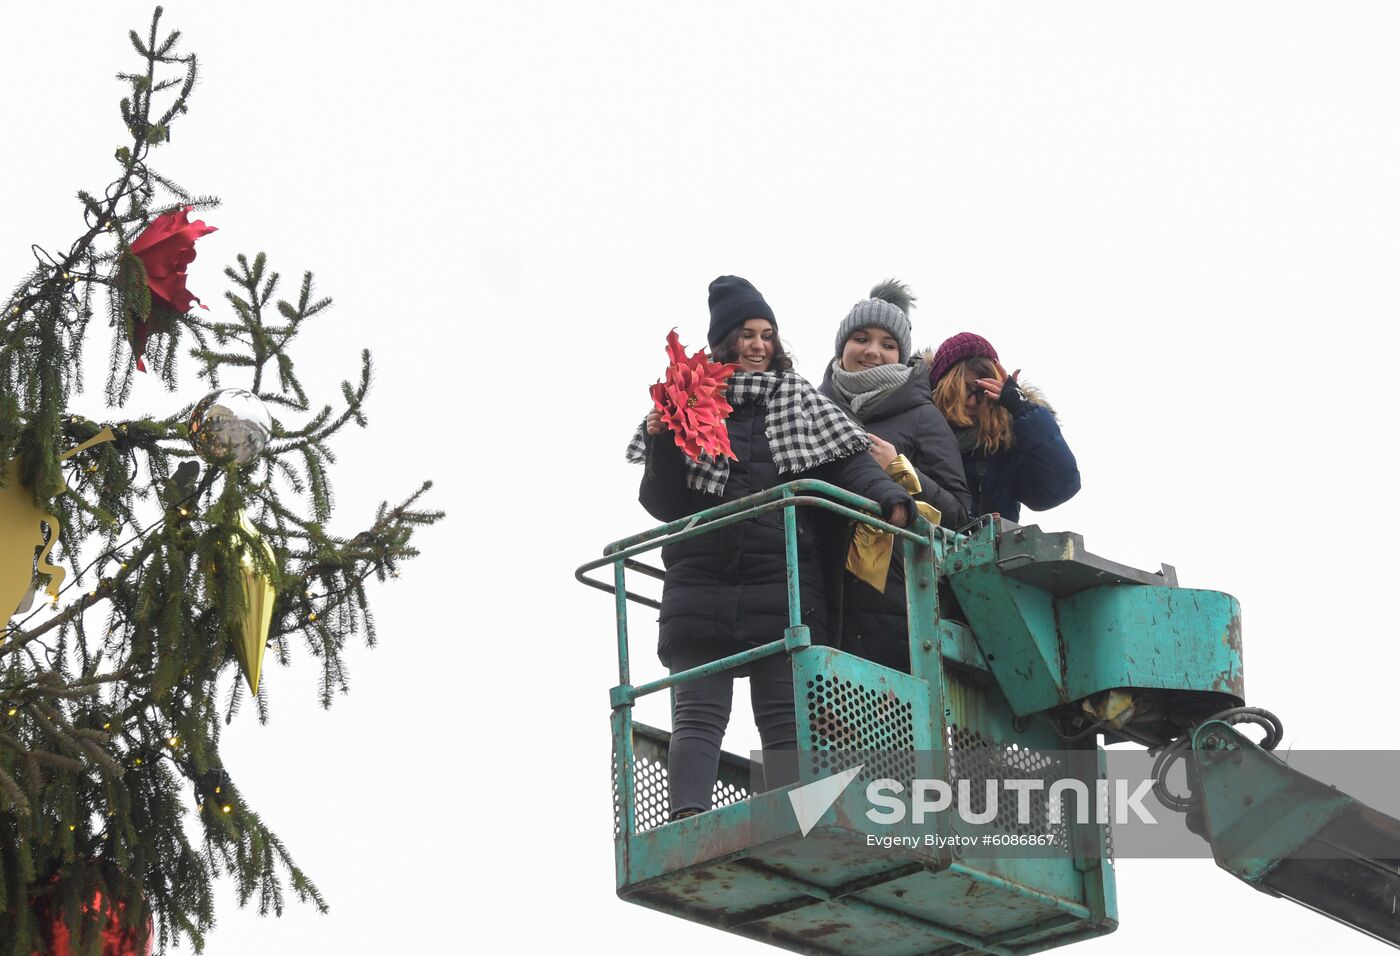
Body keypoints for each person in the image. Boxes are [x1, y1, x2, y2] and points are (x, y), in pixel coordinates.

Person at [626, 275, 914, 820]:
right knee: (697, 714)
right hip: (700, 582)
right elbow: (663, 503)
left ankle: (786, 822)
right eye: (745, 334)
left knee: (784, 715)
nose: (758, 345)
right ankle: (688, 820)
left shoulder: (802, 402)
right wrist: (663, 441)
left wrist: (890, 497)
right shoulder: (692, 406)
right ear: (724, 342)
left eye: (767, 335)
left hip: (782, 583)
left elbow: (848, 461)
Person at [819, 280, 972, 670]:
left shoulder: (923, 417)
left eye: (888, 344)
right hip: (817, 593)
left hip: (894, 605)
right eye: (861, 338)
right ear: (843, 345)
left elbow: (959, 516)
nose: (873, 351)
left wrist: (900, 469)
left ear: (901, 355)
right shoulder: (811, 407)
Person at [926, 332, 1081, 523]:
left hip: (987, 551)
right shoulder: (916, 428)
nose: (973, 401)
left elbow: (1059, 488)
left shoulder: (1005, 443)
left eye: (983, 393)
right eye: (965, 390)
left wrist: (1021, 408)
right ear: (944, 388)